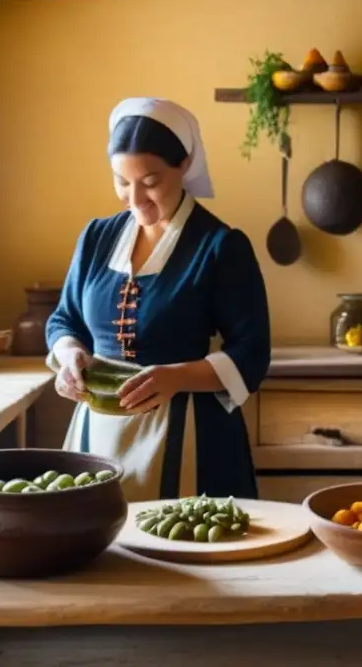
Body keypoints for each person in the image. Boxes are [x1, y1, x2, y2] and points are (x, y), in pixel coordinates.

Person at [45, 97, 271, 503]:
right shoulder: (97, 238)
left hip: (188, 436)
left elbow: (252, 353)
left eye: (150, 182)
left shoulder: (221, 247)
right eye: (121, 181)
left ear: (184, 165)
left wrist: (175, 377)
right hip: (97, 434)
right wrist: (69, 358)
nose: (134, 199)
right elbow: (64, 320)